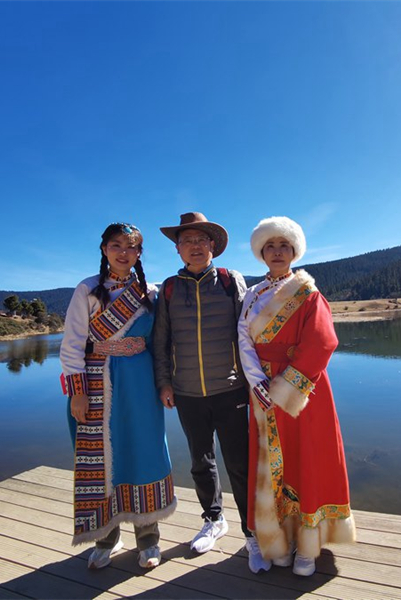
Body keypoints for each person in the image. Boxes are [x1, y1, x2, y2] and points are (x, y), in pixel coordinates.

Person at [237, 216, 356, 577]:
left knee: (309, 460)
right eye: (270, 246)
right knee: (274, 467)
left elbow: (323, 342)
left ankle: (309, 546)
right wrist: (257, 382)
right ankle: (282, 540)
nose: (277, 252)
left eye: (284, 246)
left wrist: (285, 388)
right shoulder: (252, 296)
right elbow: (243, 342)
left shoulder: (308, 293)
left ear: (294, 251)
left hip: (303, 391)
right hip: (263, 392)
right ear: (261, 252)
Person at [153, 212, 271, 573]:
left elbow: (247, 333)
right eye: (187, 241)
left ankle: (252, 533)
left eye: (202, 240)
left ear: (213, 247)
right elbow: (161, 342)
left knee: (239, 463)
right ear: (178, 249)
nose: (195, 246)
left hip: (230, 389)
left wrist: (254, 380)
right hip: (187, 392)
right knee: (200, 463)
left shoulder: (229, 280)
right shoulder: (169, 289)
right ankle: (214, 520)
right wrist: (164, 383)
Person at [60, 223, 175, 571]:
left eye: (131, 246)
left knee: (144, 451)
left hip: (139, 381)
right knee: (103, 461)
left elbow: (161, 344)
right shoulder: (88, 290)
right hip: (95, 381)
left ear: (140, 253)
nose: (123, 252)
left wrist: (165, 383)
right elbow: (72, 345)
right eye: (116, 245)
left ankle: (148, 538)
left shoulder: (150, 294)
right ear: (104, 249)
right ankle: (106, 536)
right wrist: (78, 393)